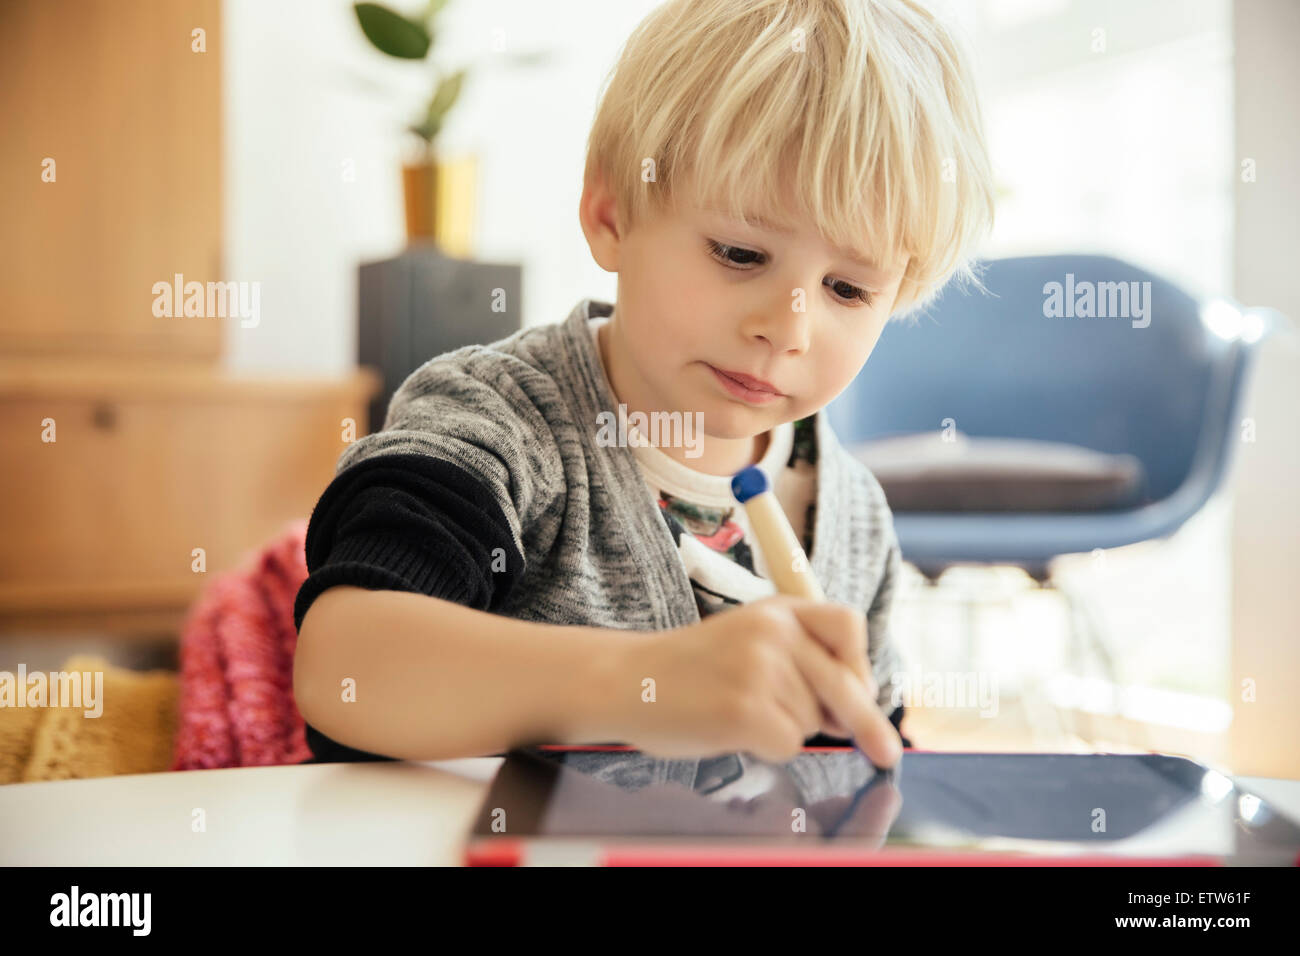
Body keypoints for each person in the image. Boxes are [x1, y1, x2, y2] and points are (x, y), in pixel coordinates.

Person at [292, 0, 994, 775]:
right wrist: (648, 682)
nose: (788, 329)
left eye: (849, 290)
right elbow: (343, 670)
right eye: (738, 252)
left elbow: (861, 765)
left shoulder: (854, 516)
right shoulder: (499, 422)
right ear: (612, 213)